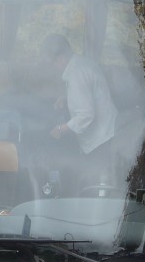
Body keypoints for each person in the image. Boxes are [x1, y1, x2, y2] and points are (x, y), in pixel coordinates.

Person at [43, 34, 117, 191]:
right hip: (109, 130)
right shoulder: (82, 63)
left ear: (61, 59)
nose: (52, 67)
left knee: (94, 185)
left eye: (51, 63)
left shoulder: (76, 74)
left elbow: (85, 115)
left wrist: (60, 129)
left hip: (101, 140)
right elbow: (89, 92)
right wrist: (67, 98)